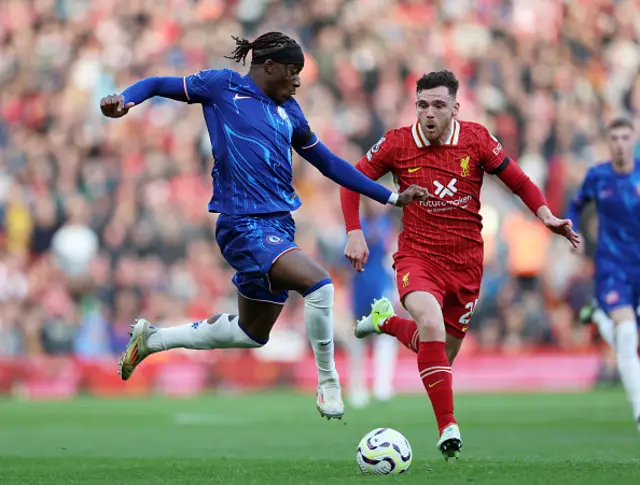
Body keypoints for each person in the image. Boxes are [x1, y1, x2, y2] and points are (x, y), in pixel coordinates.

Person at [99, 32, 427, 420]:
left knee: (251, 334)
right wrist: (126, 100)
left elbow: (330, 163)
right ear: (269, 67)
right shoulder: (222, 86)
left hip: (278, 227)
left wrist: (388, 196)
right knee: (319, 285)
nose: (298, 80)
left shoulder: (291, 110)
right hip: (242, 224)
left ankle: (153, 339)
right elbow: (156, 83)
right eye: (293, 72)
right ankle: (329, 383)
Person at [339, 70, 580, 458]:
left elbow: (519, 181)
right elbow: (350, 179)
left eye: (438, 105)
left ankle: (385, 322)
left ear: (455, 107)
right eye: (422, 105)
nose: (429, 113)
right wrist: (354, 231)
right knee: (430, 323)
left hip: (467, 266)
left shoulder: (476, 139)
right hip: (417, 257)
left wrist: (546, 215)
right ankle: (448, 427)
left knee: (437, 352)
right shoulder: (398, 143)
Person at [567, 117, 640, 431]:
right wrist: (573, 233)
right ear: (609, 142)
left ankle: (599, 315)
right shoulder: (597, 176)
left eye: (626, 137)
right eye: (615, 138)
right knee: (626, 334)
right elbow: (574, 206)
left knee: (626, 335)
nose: (620, 143)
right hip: (612, 267)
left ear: (633, 140)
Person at [345, 198, 398, 408]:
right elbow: (344, 258)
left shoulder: (386, 225)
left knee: (385, 335)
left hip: (381, 287)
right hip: (361, 287)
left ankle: (383, 385)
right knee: (358, 338)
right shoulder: (356, 229)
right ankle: (357, 387)